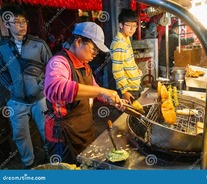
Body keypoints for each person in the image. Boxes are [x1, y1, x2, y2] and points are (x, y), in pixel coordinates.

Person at [44, 22, 125, 164]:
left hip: (84, 130)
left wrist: (111, 99)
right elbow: (54, 88)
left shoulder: (84, 66)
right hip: (64, 137)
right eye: (93, 49)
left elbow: (93, 88)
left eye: (97, 51)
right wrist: (103, 91)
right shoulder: (59, 62)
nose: (95, 54)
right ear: (79, 41)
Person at [0, 5, 52, 168]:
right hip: (16, 101)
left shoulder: (39, 44)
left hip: (40, 99)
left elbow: (51, 67)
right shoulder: (2, 49)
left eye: (24, 22)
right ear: (7, 24)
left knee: (47, 130)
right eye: (16, 22)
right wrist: (12, 88)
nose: (22, 26)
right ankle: (28, 163)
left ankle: (52, 158)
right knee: (20, 135)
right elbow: (2, 72)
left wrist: (42, 85)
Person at [110, 8, 143, 103]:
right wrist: (124, 91)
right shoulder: (119, 43)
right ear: (121, 25)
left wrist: (137, 69)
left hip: (134, 85)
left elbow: (130, 60)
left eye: (134, 25)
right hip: (129, 89)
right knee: (129, 116)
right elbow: (117, 69)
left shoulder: (126, 38)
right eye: (128, 25)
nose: (132, 29)